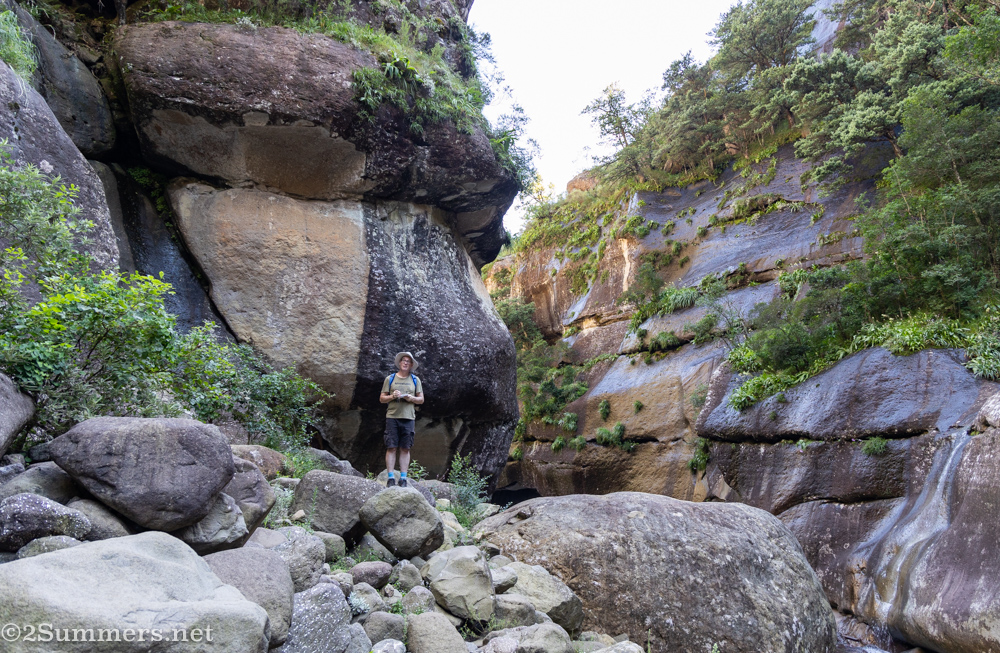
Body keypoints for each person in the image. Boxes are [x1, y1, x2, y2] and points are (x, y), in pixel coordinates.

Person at [379, 351, 424, 487]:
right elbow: (382, 398)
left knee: (405, 448)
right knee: (391, 447)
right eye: (403, 360)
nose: (405, 363)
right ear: (399, 363)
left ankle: (403, 478)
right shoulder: (390, 379)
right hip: (392, 417)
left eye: (408, 361)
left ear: (411, 365)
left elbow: (421, 400)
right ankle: (391, 478)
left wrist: (411, 398)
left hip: (408, 417)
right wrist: (393, 396)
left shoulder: (415, 380)